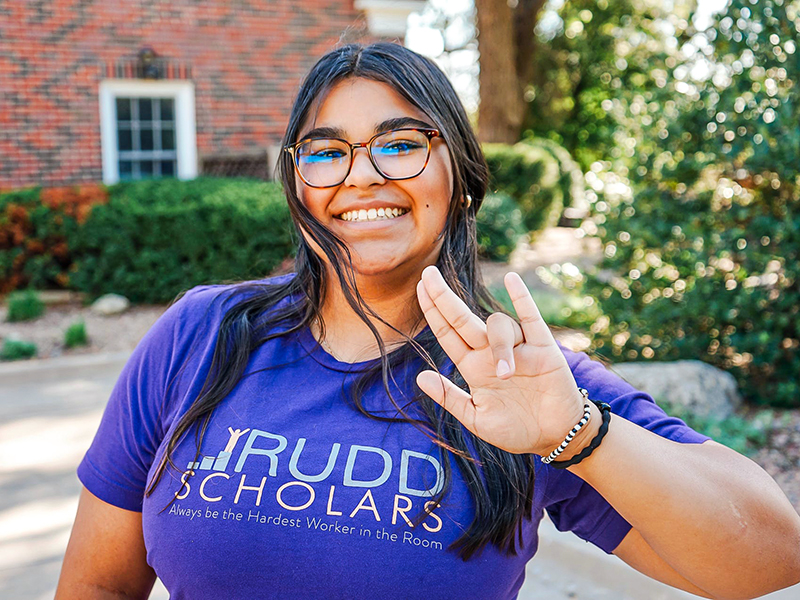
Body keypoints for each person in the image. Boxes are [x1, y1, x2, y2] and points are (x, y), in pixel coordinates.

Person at [57, 42, 800, 600]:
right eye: (325, 152)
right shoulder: (199, 336)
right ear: (297, 184)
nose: (361, 174)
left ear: (462, 180)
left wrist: (576, 433)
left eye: (401, 144)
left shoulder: (524, 383)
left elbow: (769, 554)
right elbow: (95, 586)